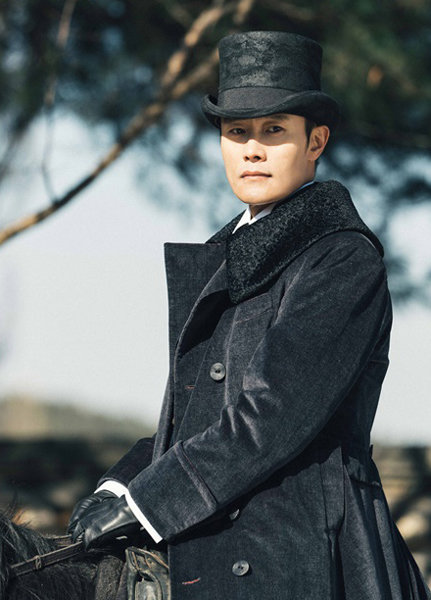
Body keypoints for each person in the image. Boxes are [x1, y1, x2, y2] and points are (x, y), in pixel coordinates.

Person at [69, 31, 431, 599]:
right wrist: (120, 485)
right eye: (237, 132)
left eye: (274, 130)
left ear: (316, 141)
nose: (252, 150)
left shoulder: (342, 259)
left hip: (308, 556)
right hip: (216, 545)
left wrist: (148, 503)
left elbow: (271, 414)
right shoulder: (227, 257)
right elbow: (195, 419)